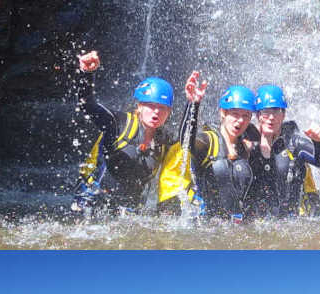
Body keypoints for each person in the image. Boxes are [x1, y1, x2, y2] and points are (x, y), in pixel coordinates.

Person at [72, 50, 203, 215]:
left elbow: (186, 142)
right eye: (150, 105)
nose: (156, 112)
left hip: (129, 213)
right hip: (93, 205)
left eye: (162, 108)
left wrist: (193, 103)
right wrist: (87, 74)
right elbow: (87, 105)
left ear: (169, 112)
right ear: (139, 106)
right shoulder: (118, 124)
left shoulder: (164, 140)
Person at [243, 85, 320, 217]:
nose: (271, 117)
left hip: (290, 222)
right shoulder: (248, 143)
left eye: (276, 111)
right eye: (266, 112)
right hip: (257, 223)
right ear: (258, 115)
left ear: (283, 115)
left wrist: (318, 142)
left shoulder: (294, 144)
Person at [180, 84, 258, 220]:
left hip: (233, 226)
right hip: (203, 225)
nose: (240, 120)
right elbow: (185, 142)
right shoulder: (207, 141)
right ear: (223, 113)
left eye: (245, 116)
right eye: (235, 114)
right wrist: (193, 104)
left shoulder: (245, 146)